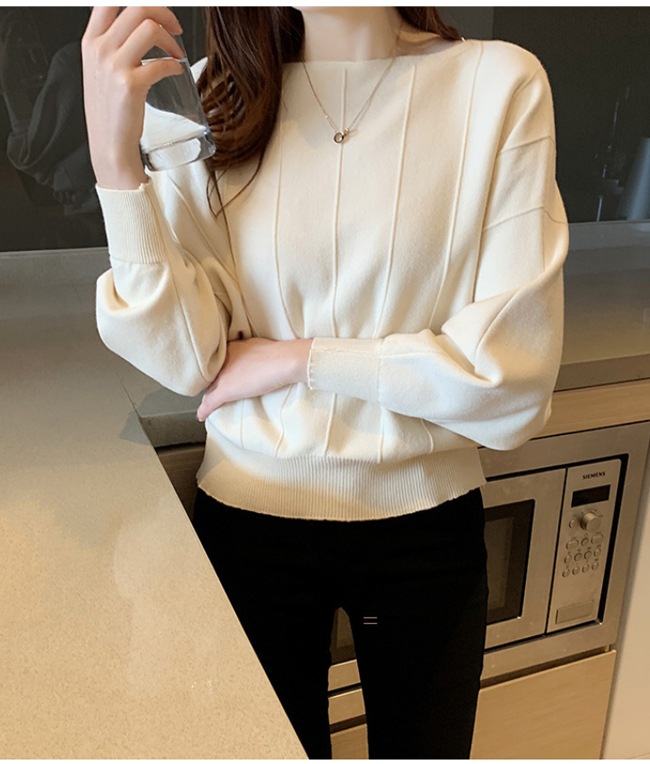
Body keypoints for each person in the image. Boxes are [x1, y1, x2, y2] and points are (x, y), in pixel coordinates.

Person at [82, 6, 568, 759]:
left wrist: (302, 358)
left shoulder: (499, 85)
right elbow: (188, 358)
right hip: (248, 525)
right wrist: (116, 168)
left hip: (425, 531)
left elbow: (511, 384)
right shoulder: (210, 98)